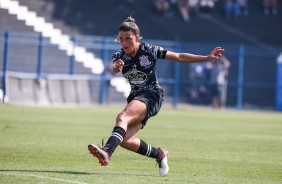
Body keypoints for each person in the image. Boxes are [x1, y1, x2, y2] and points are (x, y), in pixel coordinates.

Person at [88, 16, 224, 177]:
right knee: (125, 140)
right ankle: (159, 154)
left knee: (122, 117)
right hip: (135, 97)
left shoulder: (149, 50)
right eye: (121, 39)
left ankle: (107, 151)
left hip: (152, 95)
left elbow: (179, 57)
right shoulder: (119, 55)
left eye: (128, 39)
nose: (124, 43)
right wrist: (116, 67)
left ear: (137, 38)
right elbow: (116, 68)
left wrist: (206, 58)